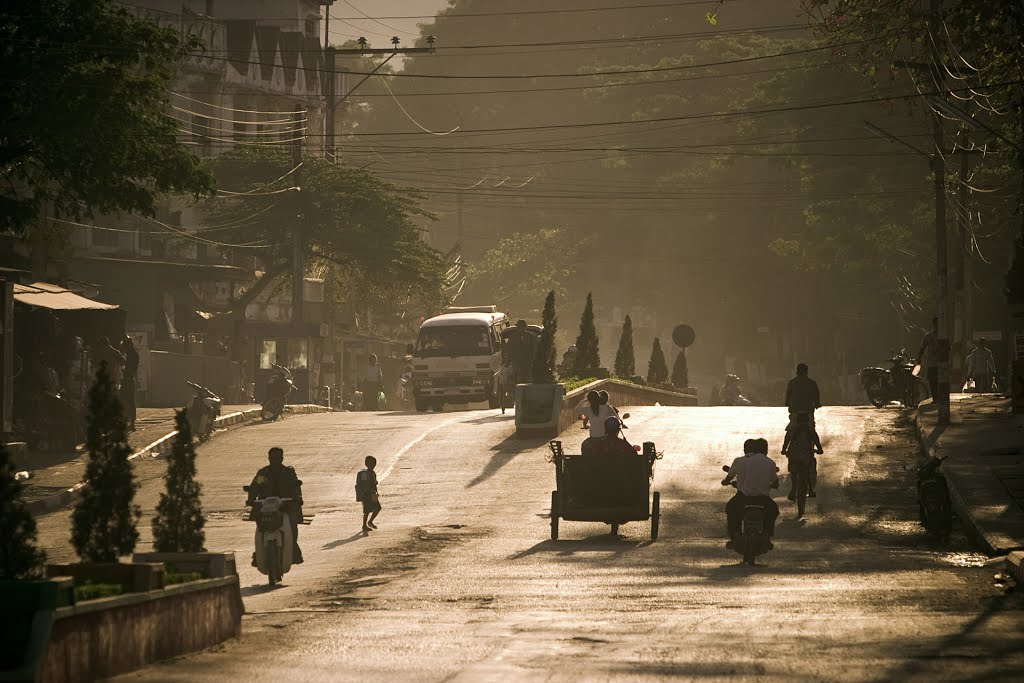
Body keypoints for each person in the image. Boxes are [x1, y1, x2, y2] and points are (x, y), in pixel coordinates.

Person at [247, 447, 304, 564]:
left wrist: (297, 498)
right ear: (269, 459)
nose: (275, 461)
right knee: (260, 526)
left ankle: (293, 551)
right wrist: (251, 499)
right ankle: (258, 553)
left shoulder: (288, 473)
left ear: (282, 459)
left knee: (292, 523)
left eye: (277, 458)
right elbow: (254, 487)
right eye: (272, 458)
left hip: (285, 506)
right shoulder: (263, 473)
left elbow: (295, 486)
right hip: (266, 507)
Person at [722, 438, 779, 547]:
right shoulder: (770, 462)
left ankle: (734, 535)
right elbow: (775, 481)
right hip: (763, 499)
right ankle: (767, 534)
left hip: (744, 497)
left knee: (730, 509)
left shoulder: (743, 460)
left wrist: (727, 482)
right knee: (773, 511)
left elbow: (731, 476)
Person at [781, 412, 823, 500]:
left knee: (793, 472)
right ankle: (811, 490)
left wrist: (784, 450)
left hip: (793, 455)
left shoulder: (791, 430)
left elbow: (786, 442)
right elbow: (817, 443)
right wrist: (819, 450)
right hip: (807, 455)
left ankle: (793, 489)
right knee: (808, 471)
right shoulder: (810, 430)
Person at [356, 455, 382, 532]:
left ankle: (370, 522)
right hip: (366, 494)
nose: (373, 465)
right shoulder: (364, 474)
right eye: (371, 463)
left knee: (378, 508)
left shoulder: (373, 473)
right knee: (366, 511)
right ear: (367, 464)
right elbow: (364, 484)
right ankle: (364, 525)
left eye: (374, 463)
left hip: (372, 493)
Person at [119, 335, 139, 431]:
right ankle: (129, 422)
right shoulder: (130, 353)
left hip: (128, 379)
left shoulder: (132, 354)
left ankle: (132, 423)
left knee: (129, 401)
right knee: (127, 400)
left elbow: (130, 368)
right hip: (127, 379)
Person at [918, 317, 939, 399]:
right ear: (934, 325)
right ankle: (935, 397)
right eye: (936, 324)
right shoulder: (928, 336)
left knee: (940, 381)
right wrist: (919, 358)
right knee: (932, 381)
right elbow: (922, 347)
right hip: (931, 363)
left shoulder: (943, 335)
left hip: (941, 363)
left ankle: (940, 397)